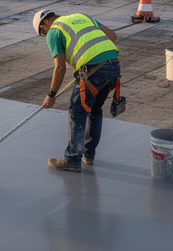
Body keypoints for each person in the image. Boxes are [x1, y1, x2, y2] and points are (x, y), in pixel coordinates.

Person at [33, 9, 122, 172]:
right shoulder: (82, 16)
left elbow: (60, 68)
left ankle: (72, 159)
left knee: (77, 112)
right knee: (95, 109)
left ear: (45, 23)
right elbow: (113, 37)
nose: (45, 35)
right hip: (113, 65)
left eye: (42, 32)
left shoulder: (54, 31)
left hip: (93, 70)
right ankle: (88, 156)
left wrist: (51, 95)